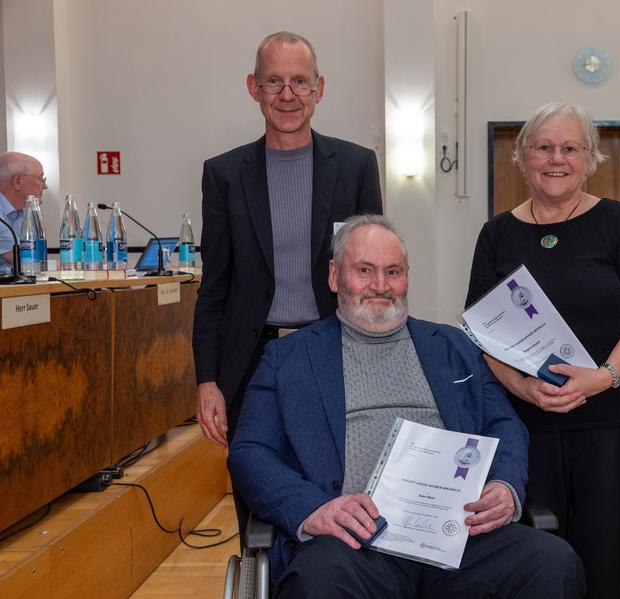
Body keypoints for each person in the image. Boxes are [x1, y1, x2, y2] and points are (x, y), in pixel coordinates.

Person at [228, 215, 585, 597]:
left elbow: (503, 424)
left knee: (553, 563)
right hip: (353, 545)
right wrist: (314, 508)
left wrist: (503, 485)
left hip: (458, 538)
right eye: (364, 271)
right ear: (335, 276)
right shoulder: (288, 358)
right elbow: (250, 452)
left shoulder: (453, 347)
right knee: (316, 583)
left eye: (393, 272)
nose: (381, 286)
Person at [466, 102, 620, 599]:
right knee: (536, 557)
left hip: (615, 418)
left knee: (603, 558)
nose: (556, 158)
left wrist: (603, 376)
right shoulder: (497, 234)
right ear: (522, 157)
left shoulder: (619, 223)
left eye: (570, 148)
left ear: (589, 159)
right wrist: (523, 387)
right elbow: (479, 330)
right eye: (543, 147)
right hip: (528, 420)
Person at [193, 31, 382, 449]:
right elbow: (214, 286)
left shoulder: (356, 167)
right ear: (253, 87)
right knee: (254, 483)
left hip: (337, 353)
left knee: (337, 484)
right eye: (273, 81)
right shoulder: (224, 175)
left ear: (319, 88)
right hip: (249, 363)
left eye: (299, 80)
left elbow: (375, 277)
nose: (287, 94)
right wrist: (207, 379)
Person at [0, 152, 47, 275]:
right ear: (18, 181)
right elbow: (29, 261)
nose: (45, 186)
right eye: (41, 179)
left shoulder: (25, 212)